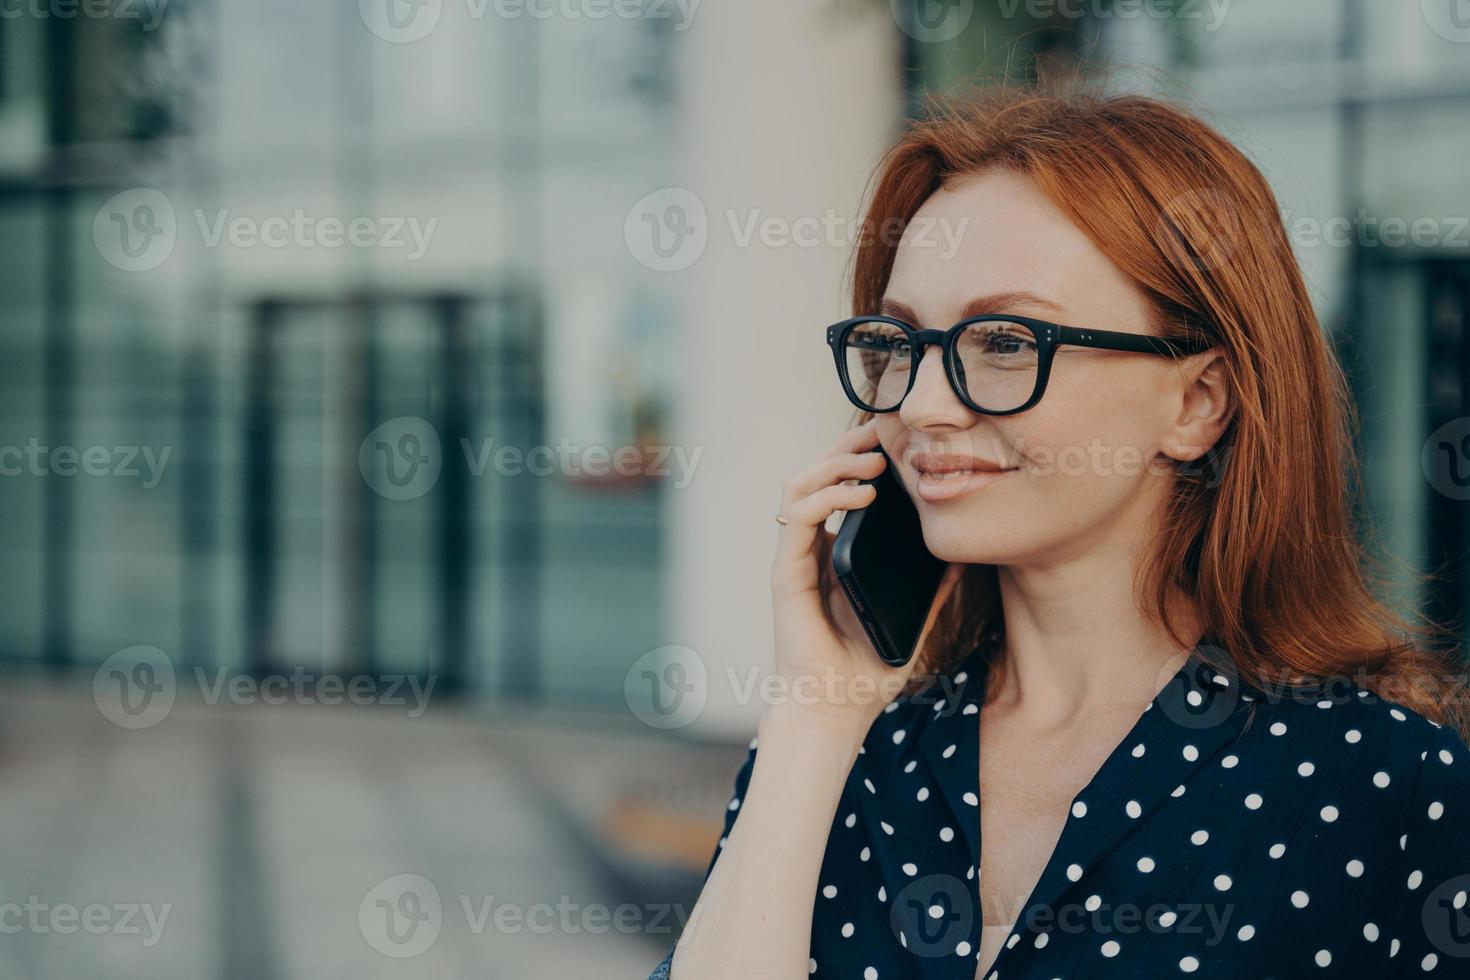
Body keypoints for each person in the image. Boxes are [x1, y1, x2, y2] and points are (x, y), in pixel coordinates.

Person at [648, 81, 1470, 979]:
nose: (922, 407)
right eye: (898, 344)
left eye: (1004, 343)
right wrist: (816, 708)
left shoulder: (1382, 787)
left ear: (1197, 403)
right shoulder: (852, 758)